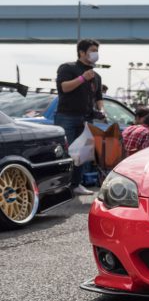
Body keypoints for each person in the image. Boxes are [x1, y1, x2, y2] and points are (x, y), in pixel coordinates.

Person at [55, 38, 105, 194]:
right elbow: (64, 88)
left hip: (86, 118)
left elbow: (98, 97)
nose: (95, 54)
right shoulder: (67, 68)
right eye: (92, 51)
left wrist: (102, 110)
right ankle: (60, 186)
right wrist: (83, 78)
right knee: (66, 152)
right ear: (81, 52)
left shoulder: (96, 76)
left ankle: (76, 184)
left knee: (81, 154)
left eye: (96, 51)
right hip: (67, 117)